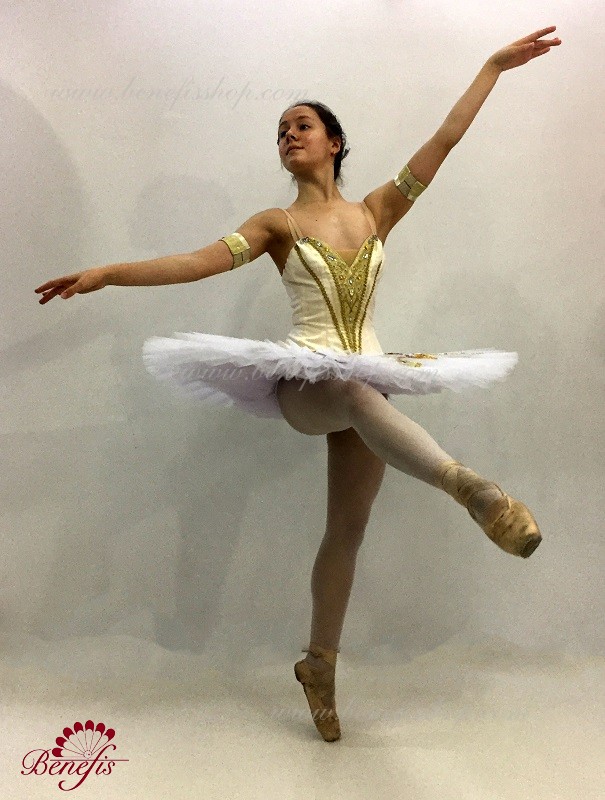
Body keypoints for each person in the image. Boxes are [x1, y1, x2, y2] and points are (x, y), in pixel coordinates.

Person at [35, 26, 561, 743]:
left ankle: (319, 665)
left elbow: (444, 141)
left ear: (334, 143)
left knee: (347, 529)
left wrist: (493, 67)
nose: (288, 135)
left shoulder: (377, 211)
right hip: (306, 383)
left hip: (368, 377)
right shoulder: (276, 223)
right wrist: (109, 274)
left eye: (302, 125)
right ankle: (474, 491)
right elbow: (196, 262)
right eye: (281, 130)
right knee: (351, 394)